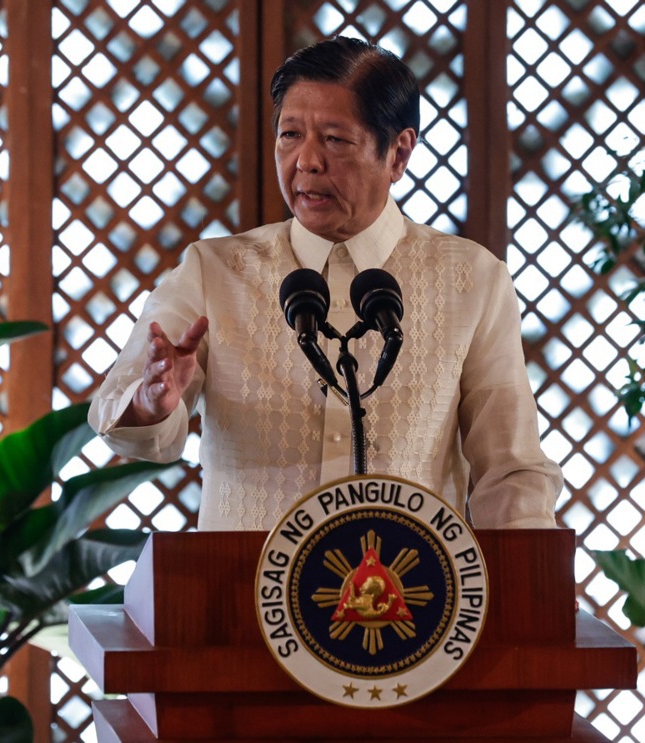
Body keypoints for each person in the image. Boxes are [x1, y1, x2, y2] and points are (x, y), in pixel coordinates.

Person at [89, 36, 562, 531]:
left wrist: (530, 591)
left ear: (398, 153)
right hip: (244, 595)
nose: (307, 161)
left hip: (405, 598)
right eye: (290, 135)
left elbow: (510, 468)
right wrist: (151, 402)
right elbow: (121, 414)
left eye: (334, 139)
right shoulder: (212, 270)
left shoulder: (472, 278)